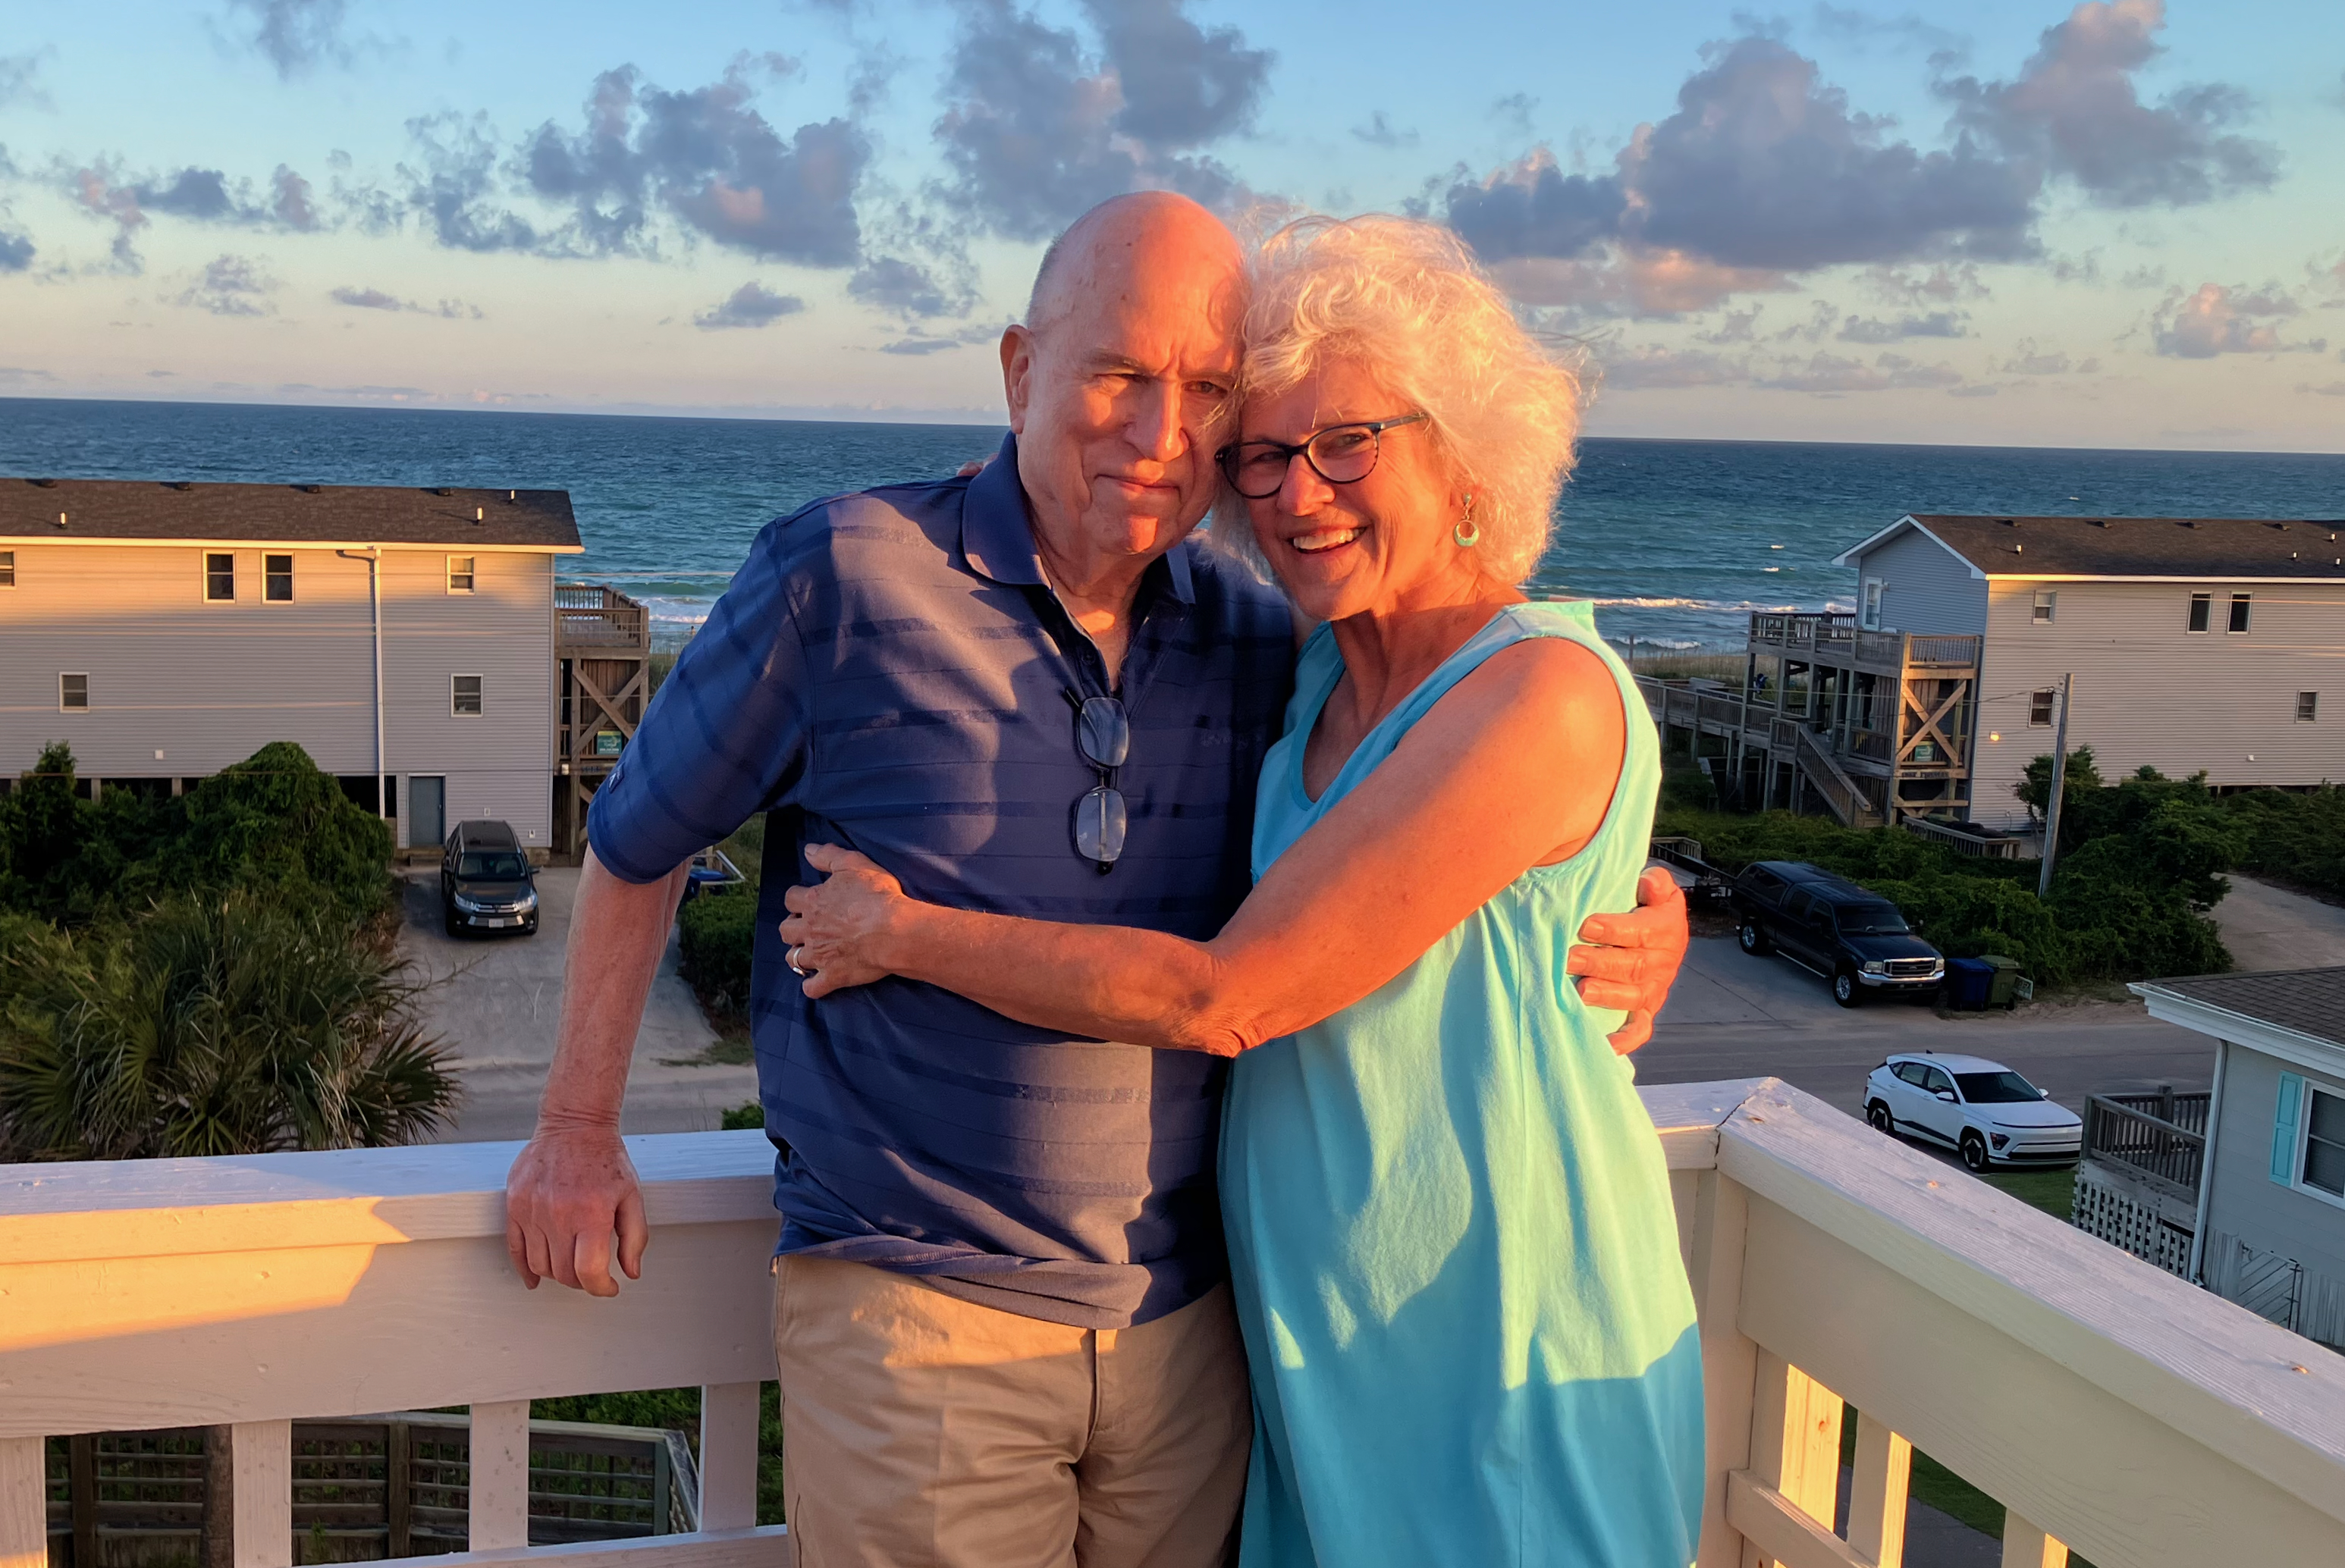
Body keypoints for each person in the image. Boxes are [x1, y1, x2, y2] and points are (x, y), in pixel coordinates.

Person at [504, 193, 1690, 1568]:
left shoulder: (1259, 638)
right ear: (1023, 373)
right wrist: (576, 1127)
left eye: (1212, 397)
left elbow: (1295, 944)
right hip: (941, 1313)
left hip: (1272, 1333)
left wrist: (1623, 895)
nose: (1170, 437)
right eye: (1124, 376)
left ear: (1465, 454)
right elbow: (638, 838)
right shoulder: (861, 579)